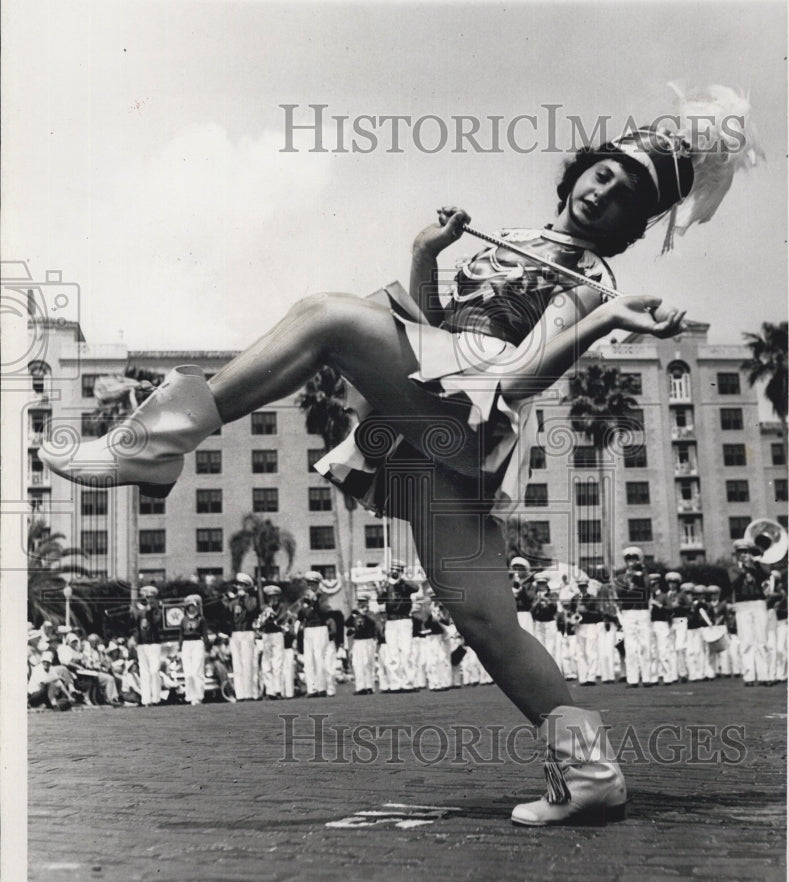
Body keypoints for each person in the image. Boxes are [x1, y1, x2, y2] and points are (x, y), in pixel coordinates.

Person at [39, 122, 709, 826]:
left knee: (322, 315)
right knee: (487, 621)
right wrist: (425, 252)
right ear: (577, 173)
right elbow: (431, 327)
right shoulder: (519, 238)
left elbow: (515, 379)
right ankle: (591, 772)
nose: (603, 192)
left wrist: (602, 321)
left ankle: (152, 443)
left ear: (632, 224)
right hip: (437, 402)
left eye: (625, 195)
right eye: (602, 173)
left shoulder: (592, 281)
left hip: (468, 410)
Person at [730, 540, 771, 686]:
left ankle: (764, 675)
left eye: (746, 552)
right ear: (736, 554)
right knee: (746, 641)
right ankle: (748, 676)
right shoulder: (733, 568)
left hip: (758, 603)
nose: (743, 555)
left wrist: (755, 563)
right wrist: (744, 570)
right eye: (740, 553)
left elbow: (767, 574)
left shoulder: (757, 566)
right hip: (742, 604)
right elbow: (734, 583)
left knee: (762, 640)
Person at [376, 561, 419, 693]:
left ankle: (408, 683)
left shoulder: (405, 585)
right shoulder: (388, 584)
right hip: (391, 621)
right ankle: (395, 683)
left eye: (397, 571)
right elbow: (379, 600)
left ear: (401, 571)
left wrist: (401, 580)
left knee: (406, 651)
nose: (395, 573)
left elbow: (416, 588)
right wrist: (383, 587)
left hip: (404, 619)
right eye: (393, 571)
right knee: (392, 653)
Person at [615, 547, 653, 688]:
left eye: (634, 559)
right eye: (629, 559)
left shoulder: (644, 575)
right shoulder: (621, 577)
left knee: (645, 645)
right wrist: (628, 579)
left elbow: (647, 588)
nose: (631, 562)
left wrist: (638, 576)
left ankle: (648, 678)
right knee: (630, 646)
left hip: (642, 611)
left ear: (639, 560)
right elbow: (619, 593)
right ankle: (632, 679)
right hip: (628, 612)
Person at [224, 572, 260, 701]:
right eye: (238, 585)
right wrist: (229, 600)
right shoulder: (234, 601)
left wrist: (244, 598)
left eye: (242, 585)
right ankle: (240, 694)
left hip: (247, 632)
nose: (239, 587)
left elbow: (251, 609)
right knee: (237, 664)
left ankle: (249, 693)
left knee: (247, 663)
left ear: (247, 587)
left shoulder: (252, 599)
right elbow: (228, 613)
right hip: (235, 633)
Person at [132, 585, 164, 706]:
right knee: (144, 672)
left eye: (150, 597)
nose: (147, 599)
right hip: (141, 644)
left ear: (154, 598)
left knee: (154, 671)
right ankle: (146, 700)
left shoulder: (157, 610)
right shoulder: (139, 610)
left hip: (154, 643)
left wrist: (150, 610)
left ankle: (156, 698)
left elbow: (157, 622)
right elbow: (135, 623)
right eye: (145, 597)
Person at [570, 576, 602, 686]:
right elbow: (570, 612)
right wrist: (573, 617)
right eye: (580, 586)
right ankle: (583, 677)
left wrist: (586, 611)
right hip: (579, 626)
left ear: (587, 586)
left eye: (584, 586)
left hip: (591, 625)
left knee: (591, 651)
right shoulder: (575, 598)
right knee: (580, 653)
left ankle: (591, 677)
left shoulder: (592, 598)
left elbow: (598, 614)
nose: (582, 588)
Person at [256, 584, 285, 699]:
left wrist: (272, 614)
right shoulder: (265, 607)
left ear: (278, 597)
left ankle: (278, 690)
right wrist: (265, 613)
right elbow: (260, 621)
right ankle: (270, 690)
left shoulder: (281, 607)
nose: (272, 599)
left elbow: (282, 620)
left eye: (274, 597)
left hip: (277, 634)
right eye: (270, 597)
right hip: (266, 635)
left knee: (277, 663)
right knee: (266, 663)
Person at [347, 594, 379, 695]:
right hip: (358, 641)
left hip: (368, 640)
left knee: (367, 663)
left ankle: (369, 686)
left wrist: (364, 615)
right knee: (357, 664)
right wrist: (354, 615)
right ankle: (360, 687)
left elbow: (372, 624)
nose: (361, 604)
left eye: (363, 602)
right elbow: (347, 624)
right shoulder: (355, 614)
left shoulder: (370, 614)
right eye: (360, 602)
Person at [178, 594, 207, 705]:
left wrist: (206, 646)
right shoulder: (183, 620)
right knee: (188, 673)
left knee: (197, 671)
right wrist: (180, 648)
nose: (192, 608)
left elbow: (204, 634)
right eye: (190, 606)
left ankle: (199, 696)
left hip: (197, 643)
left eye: (194, 606)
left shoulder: (201, 619)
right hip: (186, 644)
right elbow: (181, 634)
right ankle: (190, 696)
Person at [510, 557, 536, 635]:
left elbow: (530, 599)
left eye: (520, 569)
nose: (517, 571)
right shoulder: (510, 584)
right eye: (515, 568)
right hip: (512, 615)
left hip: (524, 615)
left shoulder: (530, 585)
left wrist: (521, 590)